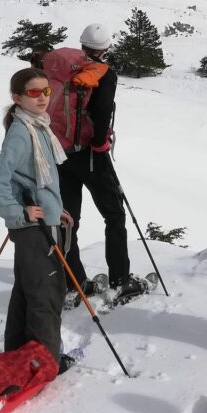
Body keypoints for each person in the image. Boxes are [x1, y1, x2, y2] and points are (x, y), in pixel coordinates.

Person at [0, 68, 75, 370]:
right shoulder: (22, 132)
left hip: (40, 221)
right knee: (46, 293)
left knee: (27, 290)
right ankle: (44, 361)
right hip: (32, 228)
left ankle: (20, 353)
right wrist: (17, 212)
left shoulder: (37, 126)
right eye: (34, 93)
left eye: (46, 91)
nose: (42, 98)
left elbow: (38, 179)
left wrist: (54, 207)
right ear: (18, 97)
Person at [54, 24, 141, 297]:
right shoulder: (103, 73)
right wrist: (101, 142)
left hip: (59, 151)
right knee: (114, 215)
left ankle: (73, 282)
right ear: (106, 49)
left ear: (82, 45)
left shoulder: (63, 69)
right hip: (90, 154)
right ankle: (120, 280)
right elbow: (102, 111)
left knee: (68, 219)